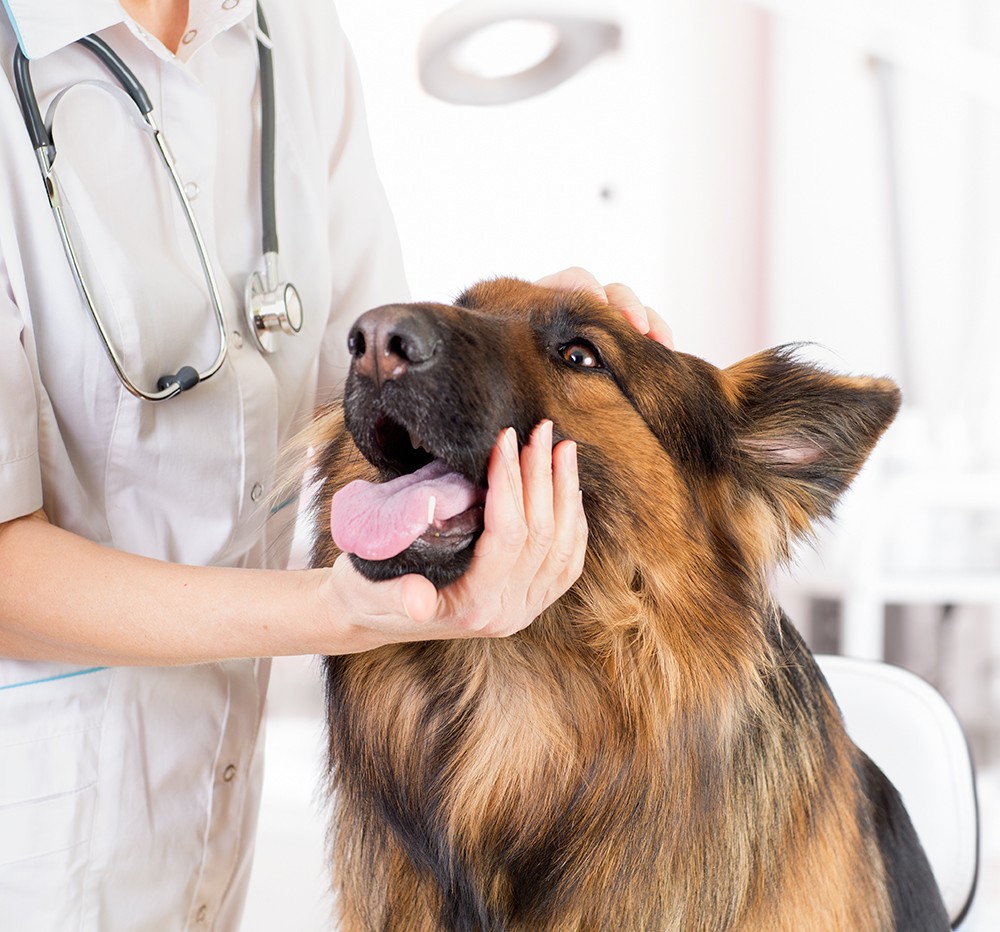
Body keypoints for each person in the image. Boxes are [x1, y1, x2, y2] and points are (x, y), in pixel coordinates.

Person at [0, 2, 672, 929]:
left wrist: (527, 346)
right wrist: (332, 612)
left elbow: (370, 382)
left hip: (212, 819)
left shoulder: (288, 35)